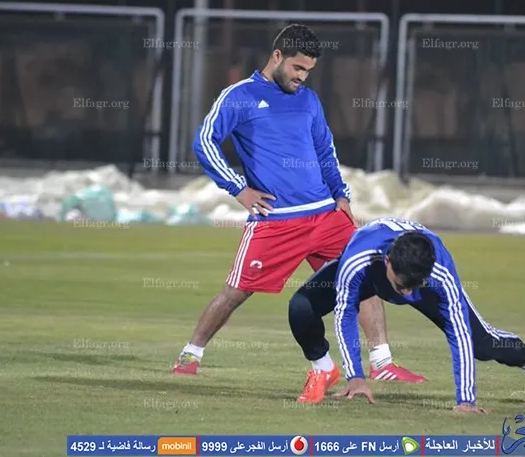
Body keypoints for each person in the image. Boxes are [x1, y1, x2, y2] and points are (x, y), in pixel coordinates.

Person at [173, 24, 424, 383]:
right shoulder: (240, 96)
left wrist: (340, 194)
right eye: (297, 68)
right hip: (276, 220)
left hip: (326, 215)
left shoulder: (308, 99)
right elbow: (205, 142)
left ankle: (382, 363)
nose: (302, 77)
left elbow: (325, 150)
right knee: (236, 292)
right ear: (277, 56)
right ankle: (191, 354)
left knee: (364, 275)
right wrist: (238, 189)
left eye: (308, 70)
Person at [288, 217, 525, 411]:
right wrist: (355, 377)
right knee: (301, 308)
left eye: (414, 287)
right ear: (388, 262)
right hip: (369, 276)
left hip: (417, 279)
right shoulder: (358, 260)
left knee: (481, 344)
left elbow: (460, 335)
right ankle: (323, 369)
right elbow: (344, 315)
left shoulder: (440, 272)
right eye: (402, 287)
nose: (407, 295)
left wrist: (466, 400)